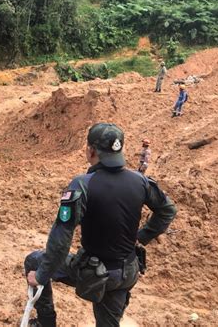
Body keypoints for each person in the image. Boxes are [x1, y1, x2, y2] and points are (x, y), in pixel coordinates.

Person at [24, 123, 177, 327]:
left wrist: (42, 275)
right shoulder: (140, 181)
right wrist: (142, 237)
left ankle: (46, 323)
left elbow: (61, 239)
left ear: (91, 150)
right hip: (127, 271)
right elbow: (167, 210)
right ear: (120, 150)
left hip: (94, 273)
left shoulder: (83, 184)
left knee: (34, 261)